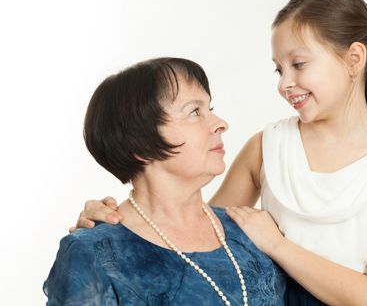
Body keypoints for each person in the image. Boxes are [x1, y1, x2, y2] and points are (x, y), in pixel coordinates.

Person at [73, 0, 367, 306]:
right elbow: (191, 231)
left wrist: (277, 245)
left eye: (298, 64)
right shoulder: (269, 146)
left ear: (354, 59)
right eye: (278, 69)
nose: (285, 83)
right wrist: (114, 224)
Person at [44, 58, 286, 305]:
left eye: (209, 110)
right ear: (141, 144)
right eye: (194, 112)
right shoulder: (96, 252)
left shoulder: (253, 231)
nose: (220, 124)